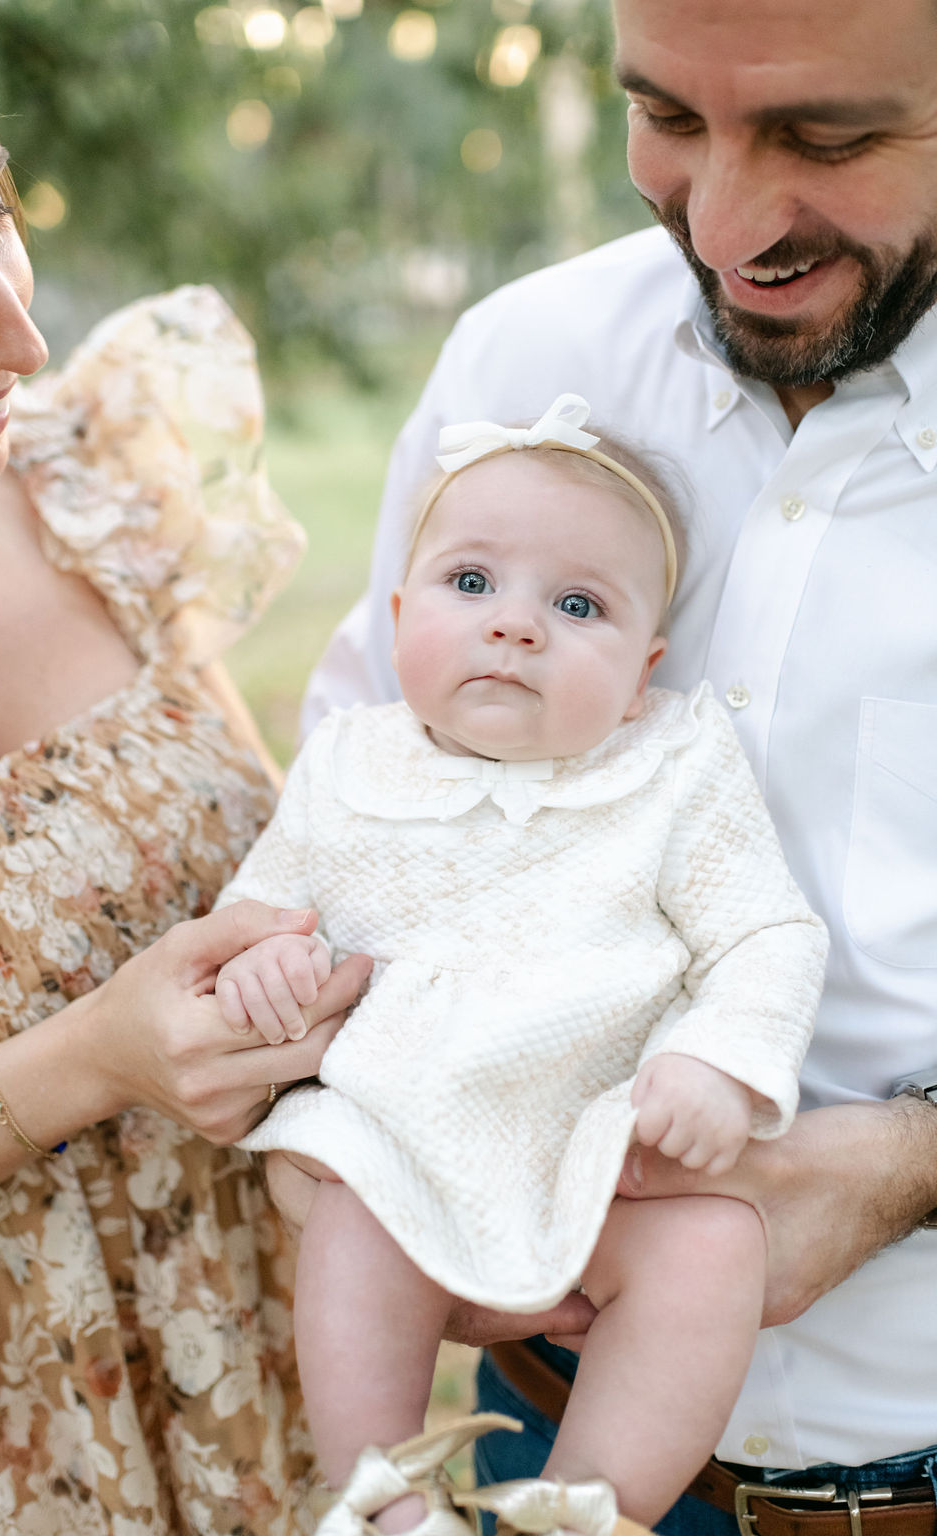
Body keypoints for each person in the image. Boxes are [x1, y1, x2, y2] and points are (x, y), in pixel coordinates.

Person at [302, 0, 937, 1531]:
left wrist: (912, 1164)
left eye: (825, 138)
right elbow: (372, 770)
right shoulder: (528, 360)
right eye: (665, 116)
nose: (721, 224)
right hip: (541, 1428)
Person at [0, 5, 374, 1532]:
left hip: (280, 1380)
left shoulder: (88, 472)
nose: (13, 333)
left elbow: (284, 876)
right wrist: (92, 1062)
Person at [212, 396, 827, 1533]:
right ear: (398, 618)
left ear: (643, 670)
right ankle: (385, 1497)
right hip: (400, 1135)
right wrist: (259, 966)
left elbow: (764, 935)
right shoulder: (352, 762)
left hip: (604, 1152)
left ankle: (587, 1504)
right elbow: (260, 906)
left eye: (577, 604)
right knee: (350, 1209)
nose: (516, 627)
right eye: (470, 584)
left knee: (711, 1243)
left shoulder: (672, 769)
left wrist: (716, 1061)